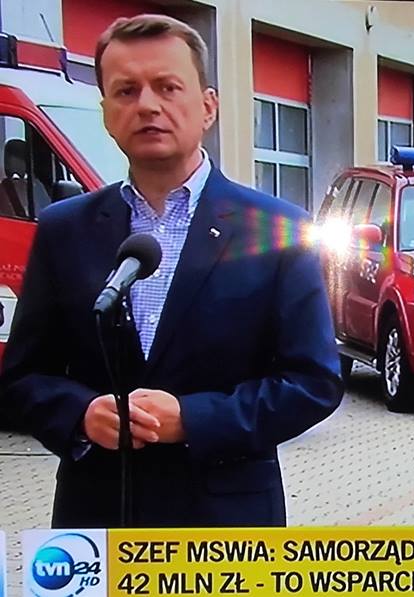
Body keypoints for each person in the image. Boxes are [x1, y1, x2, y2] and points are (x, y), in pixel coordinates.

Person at [0, 14, 343, 527]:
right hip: (97, 519)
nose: (147, 105)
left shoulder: (279, 229)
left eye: (167, 87)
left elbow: (312, 383)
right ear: (106, 112)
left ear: (208, 106)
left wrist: (191, 419)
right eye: (126, 91)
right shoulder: (64, 229)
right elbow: (22, 378)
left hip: (225, 522)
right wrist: (79, 415)